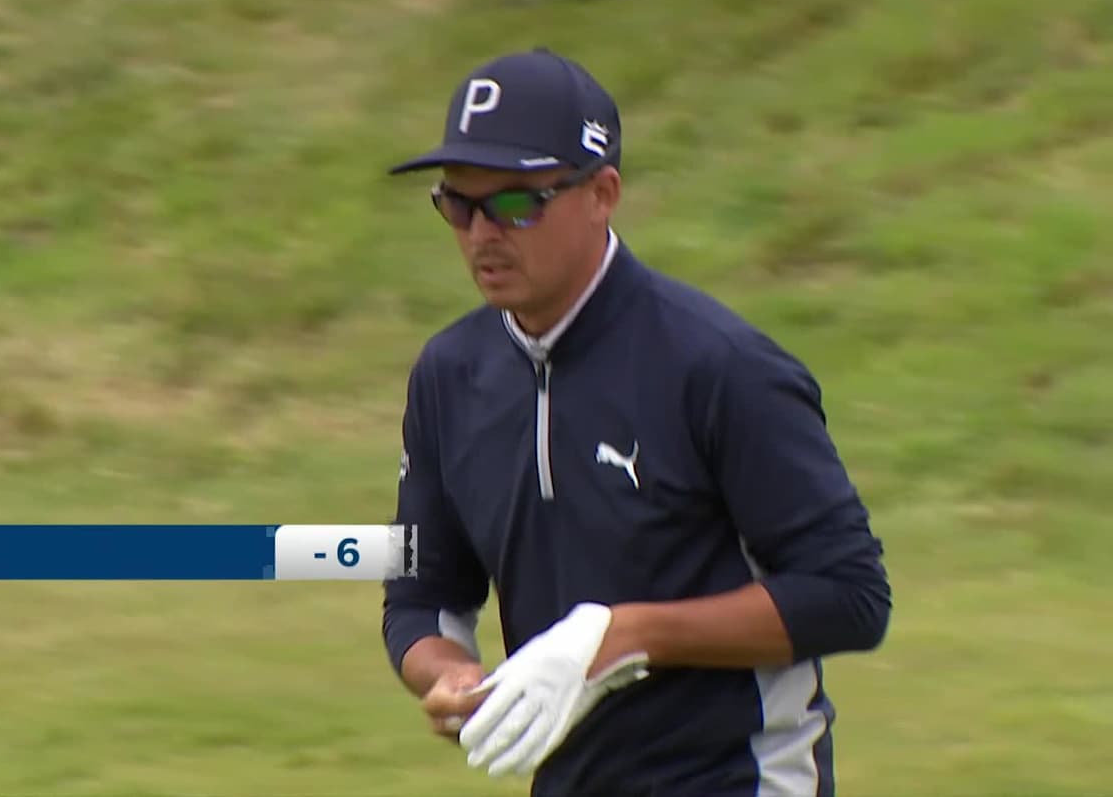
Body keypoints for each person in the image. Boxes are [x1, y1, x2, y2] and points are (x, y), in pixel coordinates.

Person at [379, 47, 892, 796]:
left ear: (603, 193)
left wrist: (623, 637)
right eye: (458, 204)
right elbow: (423, 592)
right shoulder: (449, 376)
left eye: (517, 203)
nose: (482, 233)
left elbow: (849, 596)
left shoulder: (719, 365)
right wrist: (451, 675)